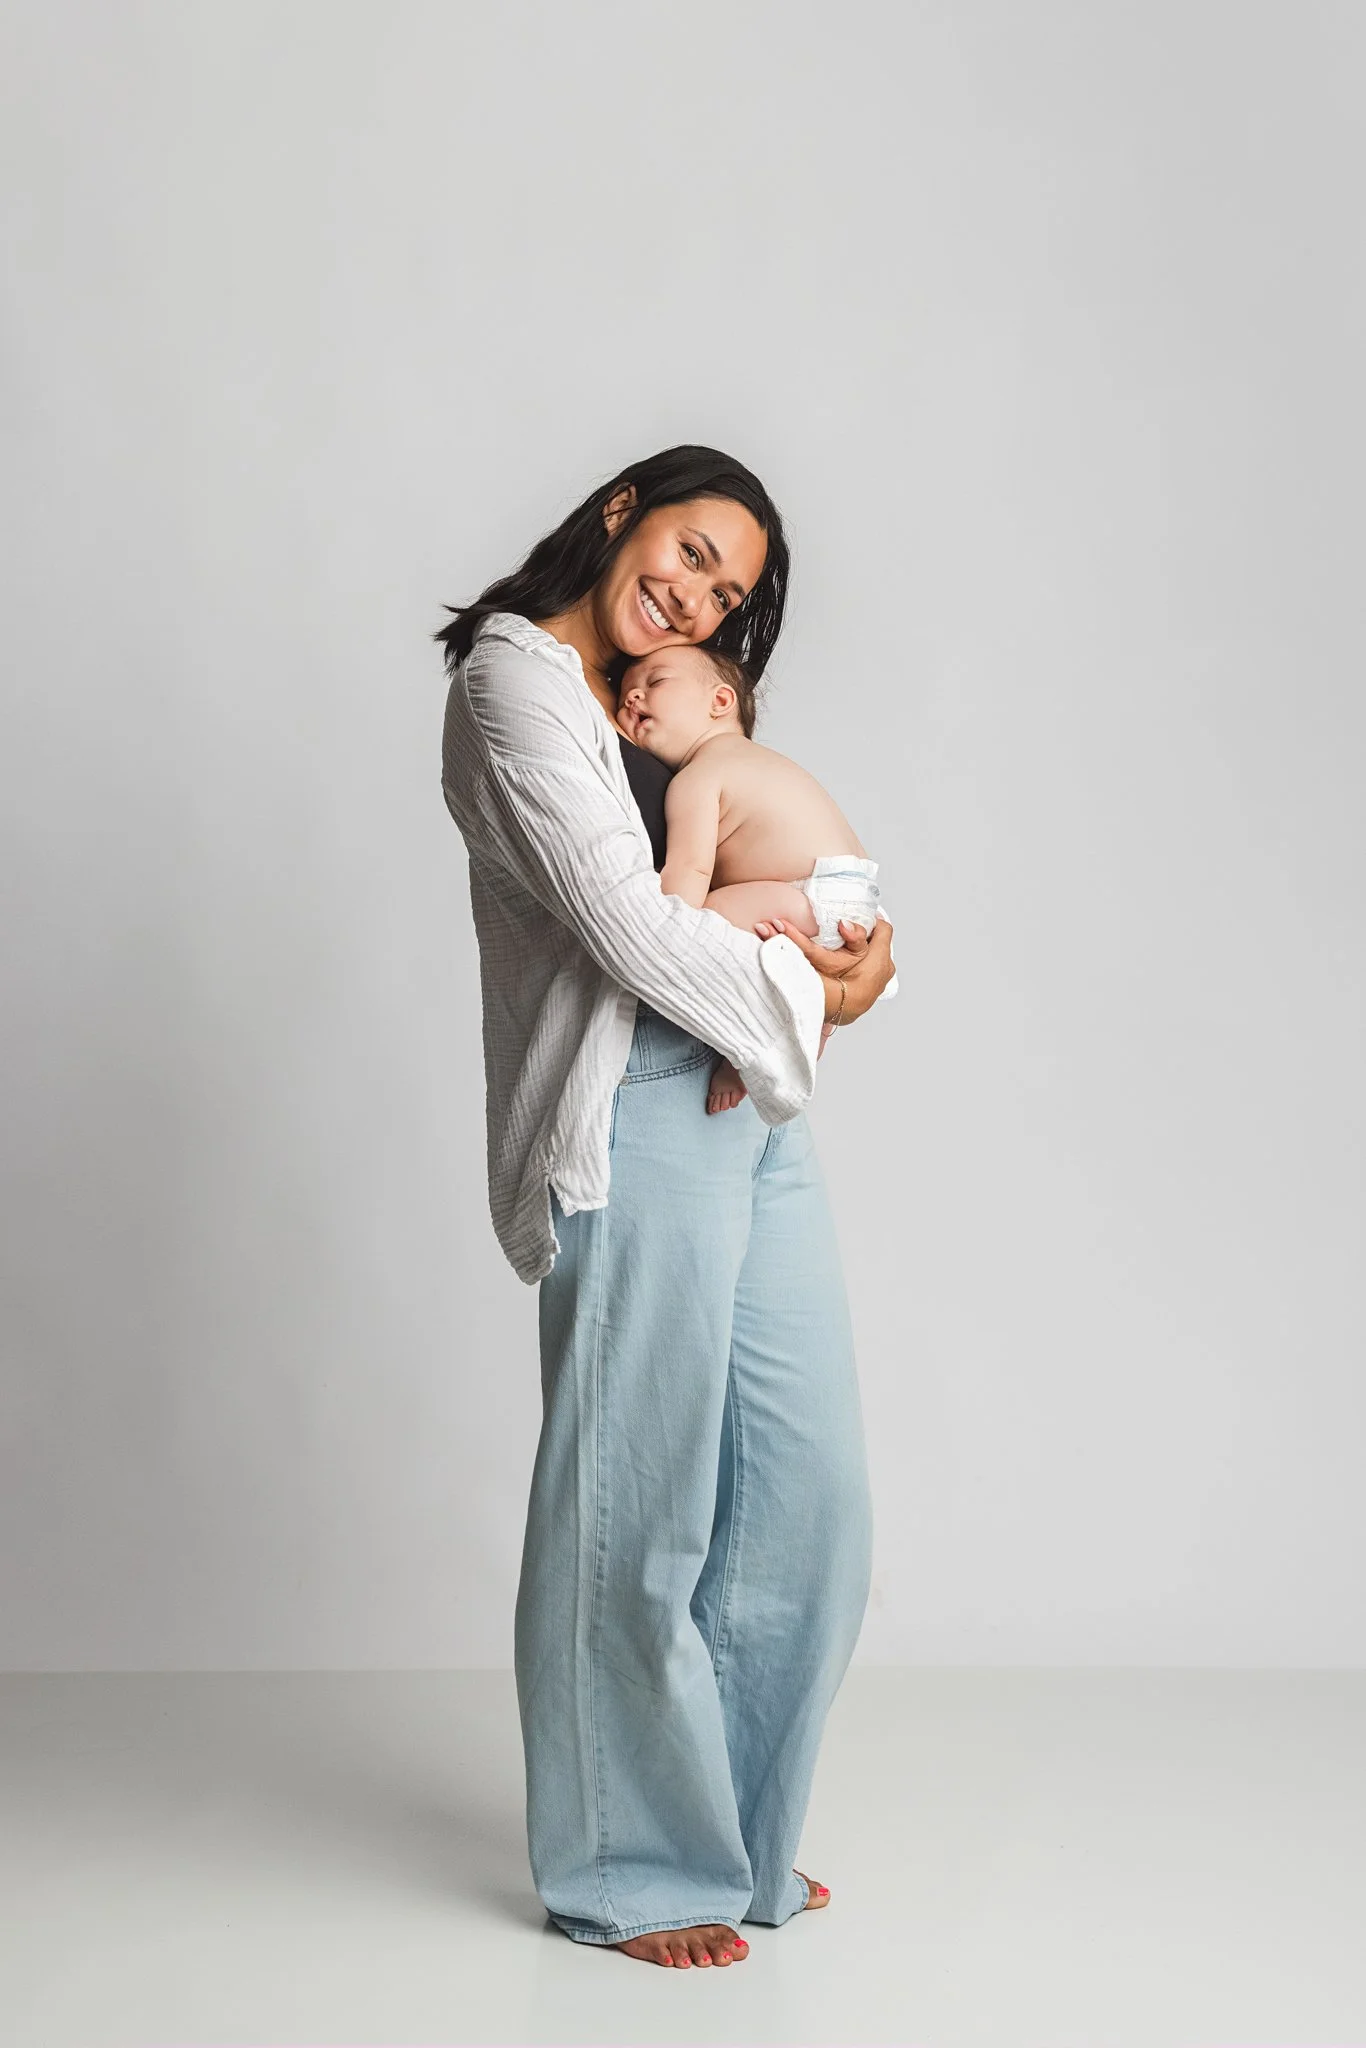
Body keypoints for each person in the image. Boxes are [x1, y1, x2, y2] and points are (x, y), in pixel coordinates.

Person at [436, 445, 896, 1970]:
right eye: (690, 548)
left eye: (729, 591)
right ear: (623, 508)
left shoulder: (663, 701)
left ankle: (744, 1843)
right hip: (633, 1113)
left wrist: (845, 962)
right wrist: (802, 989)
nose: (695, 592)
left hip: (739, 1103)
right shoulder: (515, 684)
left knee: (804, 1497)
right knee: (631, 1511)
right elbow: (628, 927)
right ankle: (631, 1870)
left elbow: (778, 873)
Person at [614, 640, 897, 1112]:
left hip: (804, 897)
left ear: (720, 702)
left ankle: (750, 1052)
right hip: (859, 907)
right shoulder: (765, 764)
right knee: (774, 963)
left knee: (704, 920)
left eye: (654, 682)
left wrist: (663, 928)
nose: (632, 699)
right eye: (625, 697)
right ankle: (812, 1033)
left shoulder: (700, 775)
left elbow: (688, 873)